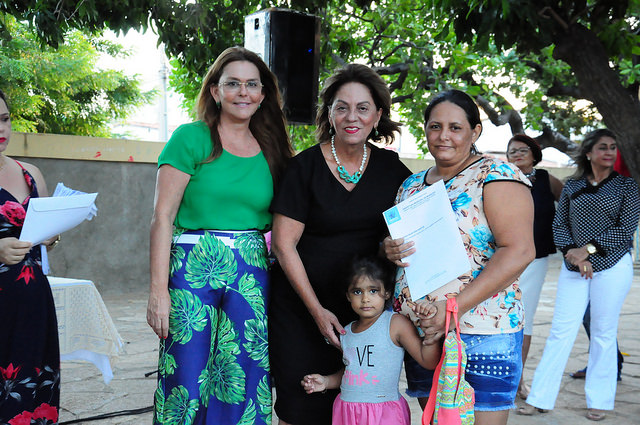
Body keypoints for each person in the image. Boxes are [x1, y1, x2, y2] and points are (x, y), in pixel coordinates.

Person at [146, 46, 292, 424]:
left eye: (252, 85)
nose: (243, 92)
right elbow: (162, 218)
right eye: (232, 84)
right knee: (186, 375)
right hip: (192, 265)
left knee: (242, 373)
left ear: (263, 94)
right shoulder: (190, 138)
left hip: (252, 269)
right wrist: (158, 292)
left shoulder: (274, 148)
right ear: (215, 91)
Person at [269, 63, 412, 425]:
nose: (352, 117)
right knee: (299, 402)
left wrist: (389, 247)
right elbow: (284, 246)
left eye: (363, 108)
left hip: (365, 311)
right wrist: (317, 311)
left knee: (358, 404)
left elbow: (407, 233)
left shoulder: (393, 171)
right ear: (329, 112)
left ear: (378, 115)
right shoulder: (304, 168)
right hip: (301, 308)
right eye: (341, 106)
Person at [384, 89, 535, 425]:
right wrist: (390, 248)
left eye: (455, 127)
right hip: (425, 333)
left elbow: (520, 250)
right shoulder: (411, 186)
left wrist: (452, 308)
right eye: (435, 127)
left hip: (481, 330)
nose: (443, 136)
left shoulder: (496, 174)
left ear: (475, 132)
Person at [518, 129, 640, 421]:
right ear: (589, 153)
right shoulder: (573, 186)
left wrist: (588, 251)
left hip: (613, 266)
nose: (609, 152)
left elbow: (626, 229)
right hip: (575, 267)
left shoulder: (627, 186)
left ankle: (600, 400)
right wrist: (574, 253)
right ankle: (539, 398)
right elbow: (559, 225)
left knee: (603, 333)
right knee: (561, 331)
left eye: (612, 147)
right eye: (602, 147)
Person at [301, 256, 440, 425]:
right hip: (348, 412)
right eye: (357, 291)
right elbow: (352, 372)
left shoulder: (395, 324)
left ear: (387, 293)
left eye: (373, 291)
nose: (365, 298)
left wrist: (431, 336)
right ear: (348, 296)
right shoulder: (346, 331)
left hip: (384, 413)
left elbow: (428, 361)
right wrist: (326, 382)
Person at [0, 90, 61, 424]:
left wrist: (51, 236)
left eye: (5, 119)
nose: (2, 129)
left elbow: (45, 233)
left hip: (34, 306)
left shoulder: (30, 174)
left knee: (34, 395)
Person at [505, 134, 563, 399]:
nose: (516, 154)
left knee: (523, 318)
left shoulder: (546, 180)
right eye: (511, 151)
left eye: (522, 150)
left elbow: (571, 206)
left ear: (534, 153)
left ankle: (518, 380)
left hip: (535, 260)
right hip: (503, 259)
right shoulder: (502, 178)